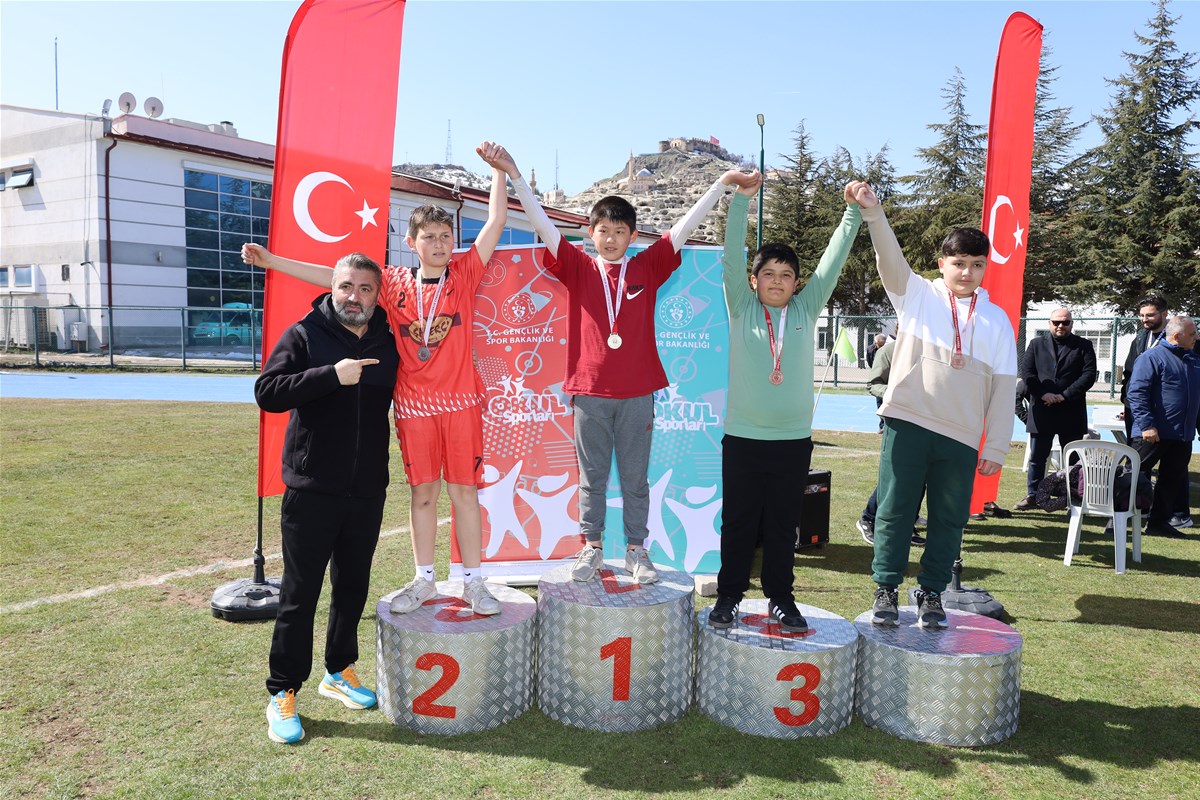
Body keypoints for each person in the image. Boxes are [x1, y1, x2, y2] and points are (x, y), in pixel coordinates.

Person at [243, 142, 517, 617]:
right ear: (412, 243)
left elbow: (495, 222)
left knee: (465, 493)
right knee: (423, 495)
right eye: (429, 237)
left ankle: (473, 582)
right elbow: (334, 275)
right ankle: (424, 579)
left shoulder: (465, 273)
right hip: (414, 408)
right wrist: (273, 261)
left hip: (460, 404)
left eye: (445, 236)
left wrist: (498, 172)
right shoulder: (393, 283)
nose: (439, 244)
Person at [504, 149, 759, 584]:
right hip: (589, 393)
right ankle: (592, 547)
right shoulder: (578, 268)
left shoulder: (646, 267)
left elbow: (684, 228)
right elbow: (544, 226)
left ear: (632, 235)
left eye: (619, 231)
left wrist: (721, 183)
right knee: (592, 478)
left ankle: (637, 551)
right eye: (603, 230)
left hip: (638, 393)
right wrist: (514, 175)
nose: (610, 239)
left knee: (636, 479)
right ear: (590, 233)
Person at [854, 181, 1017, 629]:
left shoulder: (997, 321)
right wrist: (874, 213)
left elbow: (1004, 389)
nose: (967, 272)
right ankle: (886, 588)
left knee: (949, 519)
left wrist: (995, 446)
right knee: (894, 510)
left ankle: (931, 593)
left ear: (985, 268)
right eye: (958, 263)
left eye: (976, 265)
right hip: (907, 423)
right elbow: (889, 259)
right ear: (942, 263)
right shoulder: (917, 295)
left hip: (960, 436)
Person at [255, 252, 400, 744]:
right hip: (311, 490)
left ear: (377, 295)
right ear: (332, 288)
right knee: (299, 595)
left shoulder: (388, 338)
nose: (354, 296)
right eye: (346, 286)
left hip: (367, 490)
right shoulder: (304, 334)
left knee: (352, 587)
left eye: (364, 288)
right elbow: (268, 391)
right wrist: (330, 376)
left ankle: (339, 670)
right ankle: (283, 690)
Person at [706, 176, 858, 633]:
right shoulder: (741, 306)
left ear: (797, 283)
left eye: (786, 275)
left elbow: (831, 264)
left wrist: (852, 212)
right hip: (743, 438)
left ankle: (780, 597)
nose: (777, 281)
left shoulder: (806, 308)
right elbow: (730, 258)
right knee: (738, 523)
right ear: (753, 281)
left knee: (781, 525)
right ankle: (729, 595)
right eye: (768, 274)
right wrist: (741, 202)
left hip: (792, 441)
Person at [1013, 307, 1097, 510]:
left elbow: (1088, 375)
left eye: (1065, 322)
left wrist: (1064, 395)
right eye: (1056, 322)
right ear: (1049, 323)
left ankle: (1073, 499)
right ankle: (1033, 496)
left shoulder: (1084, 345)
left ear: (1071, 324)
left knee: (1073, 459)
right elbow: (1027, 373)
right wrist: (1044, 394)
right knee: (1037, 458)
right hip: (1042, 411)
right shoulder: (1035, 344)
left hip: (1071, 411)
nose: (1060, 326)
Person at [1127, 315, 1200, 538]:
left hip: (1182, 434)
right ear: (1177, 336)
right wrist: (1147, 425)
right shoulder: (1151, 357)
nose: (1196, 337)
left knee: (1171, 480)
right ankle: (1116, 518)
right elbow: (1136, 393)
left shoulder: (1193, 360)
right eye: (1192, 333)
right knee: (1131, 475)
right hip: (1153, 433)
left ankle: (1158, 522)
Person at [857, 337, 927, 548]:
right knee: (896, 476)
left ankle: (908, 523)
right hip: (900, 421)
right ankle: (868, 518)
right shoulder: (889, 351)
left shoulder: (934, 347)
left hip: (929, 421)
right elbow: (873, 384)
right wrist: (896, 393)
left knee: (922, 477)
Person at [1120, 295, 1168, 440]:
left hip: (1163, 409)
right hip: (1136, 408)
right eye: (1141, 315)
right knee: (1133, 449)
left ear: (1164, 313)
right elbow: (1129, 372)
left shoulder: (1175, 338)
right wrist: (1127, 402)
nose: (1144, 319)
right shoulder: (1140, 338)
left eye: (1150, 315)